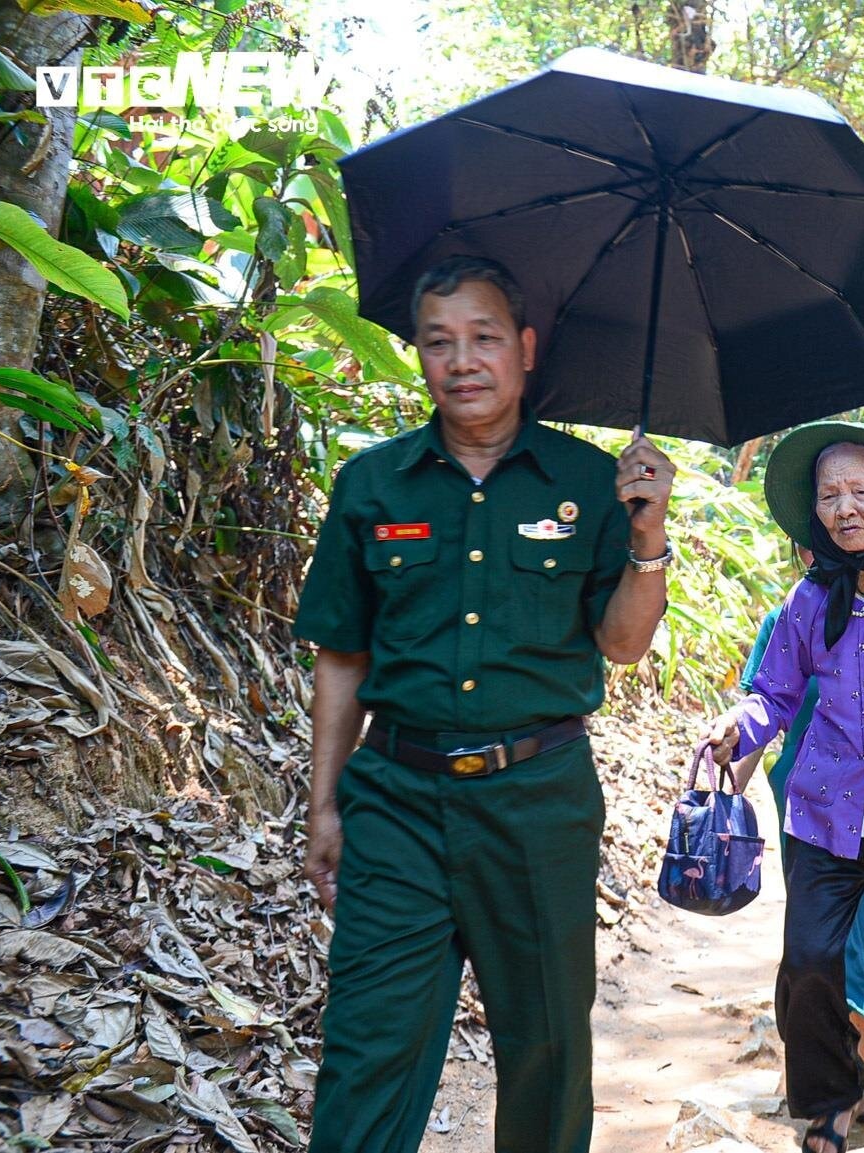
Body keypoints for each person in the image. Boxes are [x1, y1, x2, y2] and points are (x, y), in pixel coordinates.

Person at [295, 255, 676, 1153]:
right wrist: (324, 800)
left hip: (538, 800)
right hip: (396, 800)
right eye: (439, 342)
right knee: (366, 1049)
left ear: (525, 348)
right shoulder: (374, 484)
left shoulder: (589, 483)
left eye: (484, 338)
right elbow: (342, 656)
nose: (462, 360)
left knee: (545, 1049)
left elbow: (621, 643)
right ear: (419, 356)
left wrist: (647, 535)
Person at [704, 421, 864, 1153]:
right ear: (813, 511)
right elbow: (773, 695)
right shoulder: (805, 599)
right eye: (829, 495)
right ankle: (831, 1090)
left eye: (860, 491)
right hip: (825, 811)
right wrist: (740, 725)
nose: (845, 507)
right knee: (811, 961)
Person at [734, 544, 864, 1126]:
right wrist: (724, 788)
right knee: (820, 944)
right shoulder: (787, 616)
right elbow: (764, 704)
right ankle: (838, 1071)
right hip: (810, 811)